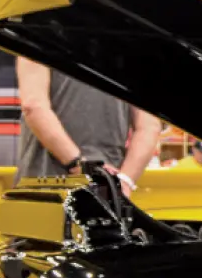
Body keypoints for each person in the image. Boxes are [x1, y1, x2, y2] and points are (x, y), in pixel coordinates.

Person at [15, 58, 161, 196]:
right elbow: (149, 126)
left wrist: (79, 165)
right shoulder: (131, 56)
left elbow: (34, 106)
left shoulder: (42, 43)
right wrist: (124, 181)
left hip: (46, 186)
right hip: (107, 191)